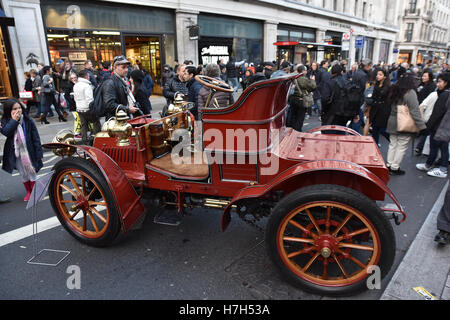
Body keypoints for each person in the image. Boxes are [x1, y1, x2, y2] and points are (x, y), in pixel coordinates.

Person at [1, 98, 43, 201]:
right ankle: (29, 192)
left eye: (19, 107)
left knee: (32, 172)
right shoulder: (5, 121)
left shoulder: (28, 120)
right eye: (14, 109)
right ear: (8, 110)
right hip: (16, 153)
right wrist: (14, 121)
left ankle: (34, 191)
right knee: (23, 173)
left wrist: (39, 153)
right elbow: (6, 132)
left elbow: (36, 138)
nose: (18, 110)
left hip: (29, 152)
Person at [386, 72, 426, 175]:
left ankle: (389, 165)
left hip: (392, 120)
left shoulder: (394, 89)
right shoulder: (410, 92)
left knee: (393, 144)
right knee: (401, 146)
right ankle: (395, 167)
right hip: (403, 122)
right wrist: (422, 126)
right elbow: (415, 111)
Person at [415, 72, 450, 178]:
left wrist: (428, 126)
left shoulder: (445, 94)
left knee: (439, 146)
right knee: (440, 146)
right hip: (443, 126)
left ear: (446, 83)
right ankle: (430, 164)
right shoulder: (445, 93)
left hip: (440, 126)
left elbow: (437, 113)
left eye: (439, 82)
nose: (437, 84)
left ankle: (441, 169)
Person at [103, 55, 140, 120]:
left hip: (124, 119)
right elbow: (109, 105)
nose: (126, 70)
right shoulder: (110, 83)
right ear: (115, 67)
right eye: (123, 67)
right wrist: (127, 109)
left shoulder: (124, 80)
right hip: (116, 122)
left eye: (127, 67)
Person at [73, 70, 101, 145]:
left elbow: (75, 98)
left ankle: (85, 141)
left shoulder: (76, 85)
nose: (89, 77)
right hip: (87, 108)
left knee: (83, 125)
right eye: (88, 76)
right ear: (85, 76)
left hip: (79, 108)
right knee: (96, 123)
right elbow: (89, 99)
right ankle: (95, 138)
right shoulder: (87, 86)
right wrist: (93, 109)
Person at [288, 65, 316, 132]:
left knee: (293, 116)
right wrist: (312, 80)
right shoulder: (304, 79)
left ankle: (292, 131)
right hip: (301, 100)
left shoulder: (293, 78)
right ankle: (297, 131)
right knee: (300, 117)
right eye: (305, 70)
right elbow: (313, 87)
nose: (306, 71)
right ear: (303, 71)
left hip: (293, 99)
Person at [369, 68, 391, 145]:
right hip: (375, 109)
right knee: (374, 129)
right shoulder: (376, 84)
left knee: (382, 129)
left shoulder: (388, 86)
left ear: (385, 76)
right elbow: (373, 96)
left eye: (380, 74)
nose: (378, 76)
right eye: (377, 74)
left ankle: (392, 141)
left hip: (383, 110)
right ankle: (375, 146)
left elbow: (387, 98)